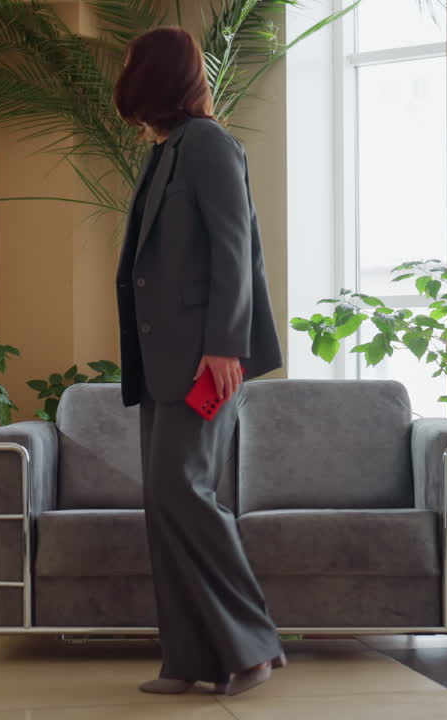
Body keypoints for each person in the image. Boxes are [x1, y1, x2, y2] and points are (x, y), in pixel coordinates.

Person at [112, 26, 287, 696]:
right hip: (161, 358)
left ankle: (253, 648)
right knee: (165, 501)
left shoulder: (210, 144)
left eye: (131, 63)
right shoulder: (164, 150)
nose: (124, 72)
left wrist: (224, 344)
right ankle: (188, 659)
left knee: (184, 491)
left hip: (204, 358)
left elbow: (235, 249)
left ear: (156, 74)